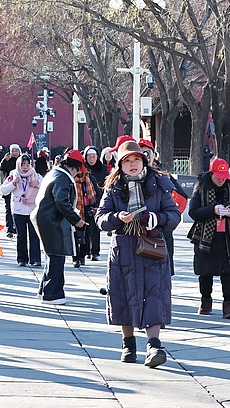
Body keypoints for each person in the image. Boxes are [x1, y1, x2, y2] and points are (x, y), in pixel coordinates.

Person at [96, 140, 181, 367]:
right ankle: (128, 343)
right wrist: (116, 218)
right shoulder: (113, 188)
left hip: (151, 247)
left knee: (154, 293)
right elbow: (100, 218)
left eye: (136, 159)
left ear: (144, 161)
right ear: (120, 165)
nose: (132, 164)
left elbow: (174, 216)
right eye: (127, 161)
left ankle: (154, 345)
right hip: (123, 248)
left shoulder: (159, 184)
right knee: (123, 295)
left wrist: (156, 218)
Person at [188, 158, 230, 319]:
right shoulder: (201, 187)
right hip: (206, 237)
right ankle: (205, 300)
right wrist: (212, 210)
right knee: (205, 272)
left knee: (229, 272)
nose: (221, 180)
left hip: (228, 237)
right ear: (211, 173)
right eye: (218, 176)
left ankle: (229, 304)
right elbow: (193, 212)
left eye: (224, 176)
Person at [31, 150, 86, 305]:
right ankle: (52, 294)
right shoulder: (62, 178)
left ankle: (45, 290)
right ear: (75, 167)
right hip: (52, 220)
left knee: (52, 256)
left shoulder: (55, 173)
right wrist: (76, 220)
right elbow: (62, 201)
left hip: (46, 218)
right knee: (56, 256)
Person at [0, 154, 41, 267]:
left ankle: (35, 259)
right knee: (21, 236)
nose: (26, 167)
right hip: (18, 210)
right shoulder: (14, 175)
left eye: (27, 164)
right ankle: (22, 259)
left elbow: (46, 187)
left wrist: (38, 184)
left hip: (32, 210)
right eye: (23, 165)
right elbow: (3, 190)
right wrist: (13, 184)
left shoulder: (35, 175)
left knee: (34, 235)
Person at [71, 151, 97, 268]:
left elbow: (97, 192)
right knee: (75, 233)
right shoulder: (71, 180)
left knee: (87, 233)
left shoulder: (89, 177)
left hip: (87, 207)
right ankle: (75, 257)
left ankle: (83, 255)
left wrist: (95, 206)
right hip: (75, 208)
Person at [83, 146, 107, 261]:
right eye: (89, 157)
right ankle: (86, 249)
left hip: (99, 200)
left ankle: (95, 251)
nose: (91, 159)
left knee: (95, 227)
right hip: (84, 200)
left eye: (93, 156)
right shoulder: (82, 168)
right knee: (85, 227)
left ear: (97, 157)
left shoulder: (103, 169)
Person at [0, 144, 22, 236]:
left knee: (18, 209)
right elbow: (1, 169)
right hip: (9, 187)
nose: (15, 153)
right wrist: (4, 161)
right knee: (8, 209)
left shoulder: (22, 161)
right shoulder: (7, 160)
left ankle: (17, 227)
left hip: (20, 190)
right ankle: (10, 229)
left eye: (16, 151)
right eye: (13, 151)